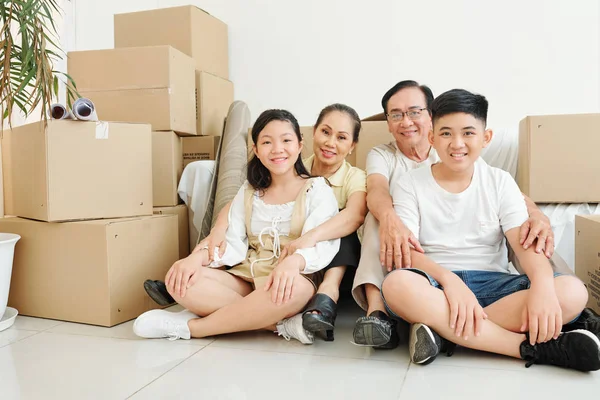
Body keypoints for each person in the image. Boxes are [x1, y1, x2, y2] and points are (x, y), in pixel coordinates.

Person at [381, 88, 600, 371]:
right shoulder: (409, 184)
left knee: (573, 292)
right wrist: (451, 282)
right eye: (446, 133)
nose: (457, 143)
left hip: (495, 285)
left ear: (486, 138)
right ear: (432, 138)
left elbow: (524, 244)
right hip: (435, 283)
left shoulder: (500, 181)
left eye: (468, 133)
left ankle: (445, 332)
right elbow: (408, 253)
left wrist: (543, 285)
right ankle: (525, 348)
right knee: (397, 284)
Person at [351, 80, 565, 350]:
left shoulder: (473, 161)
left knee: (570, 290)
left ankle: (439, 329)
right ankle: (517, 345)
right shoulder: (394, 165)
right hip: (429, 272)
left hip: (489, 280)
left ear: (429, 117)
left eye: (414, 111)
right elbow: (377, 190)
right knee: (389, 258)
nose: (406, 121)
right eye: (396, 114)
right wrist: (391, 220)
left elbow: (507, 198)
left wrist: (537, 215)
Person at [144, 104, 368, 341]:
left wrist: (295, 262)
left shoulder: (317, 188)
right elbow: (232, 242)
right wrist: (195, 258)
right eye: (267, 142)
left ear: (298, 146)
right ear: (256, 150)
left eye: (285, 141)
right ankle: (279, 323)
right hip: (246, 277)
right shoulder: (250, 190)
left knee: (295, 291)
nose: (277, 149)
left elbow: (330, 238)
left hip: (292, 277)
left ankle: (193, 327)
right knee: (184, 282)